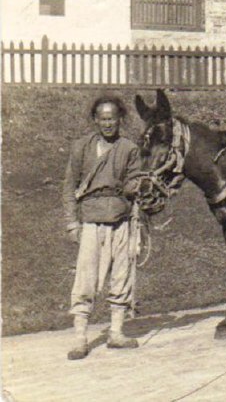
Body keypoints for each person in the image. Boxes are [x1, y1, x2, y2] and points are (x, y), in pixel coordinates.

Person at [63, 95, 142, 360]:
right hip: (90, 221)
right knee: (85, 280)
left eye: (112, 118)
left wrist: (138, 186)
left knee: (121, 277)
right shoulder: (81, 147)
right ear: (96, 120)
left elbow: (133, 182)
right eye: (103, 118)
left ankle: (116, 333)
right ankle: (80, 339)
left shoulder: (129, 148)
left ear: (120, 119)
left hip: (120, 221)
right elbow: (69, 187)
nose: (108, 123)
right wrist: (72, 223)